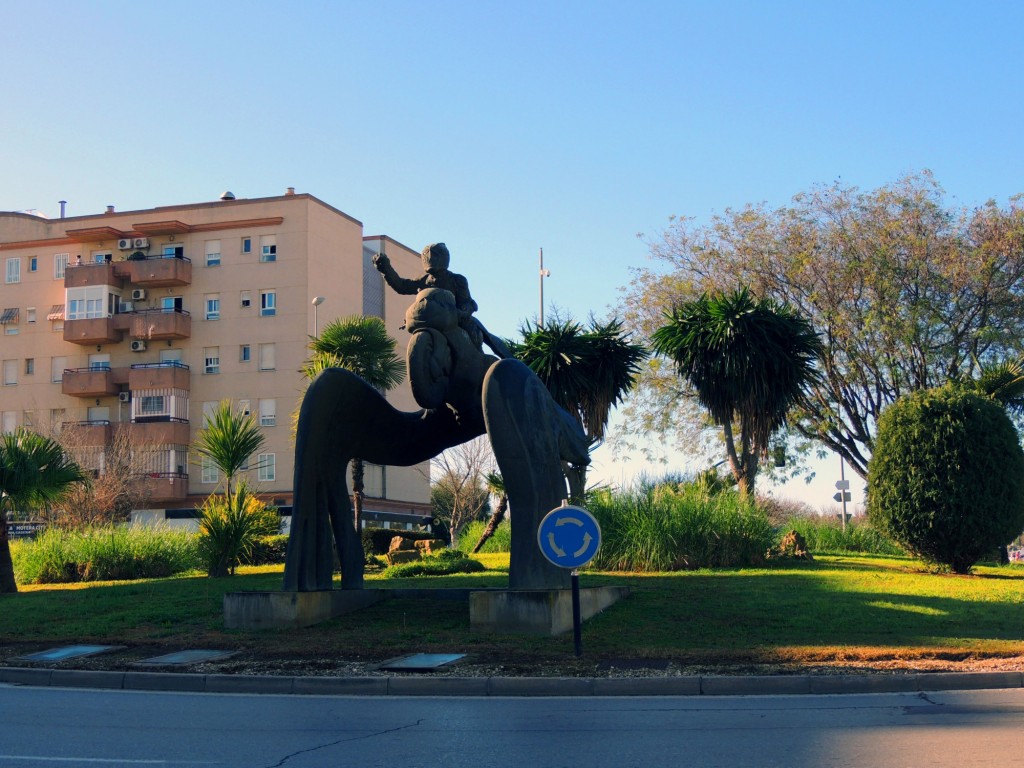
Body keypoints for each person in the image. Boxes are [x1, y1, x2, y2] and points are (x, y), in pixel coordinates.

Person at [372, 243, 511, 358]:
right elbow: (402, 286)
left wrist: (461, 312)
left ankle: (480, 358)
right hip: (432, 318)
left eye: (435, 254)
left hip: (456, 319)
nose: (431, 257)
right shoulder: (423, 280)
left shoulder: (457, 280)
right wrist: (385, 269)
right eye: (428, 254)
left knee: (473, 331)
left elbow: (466, 302)